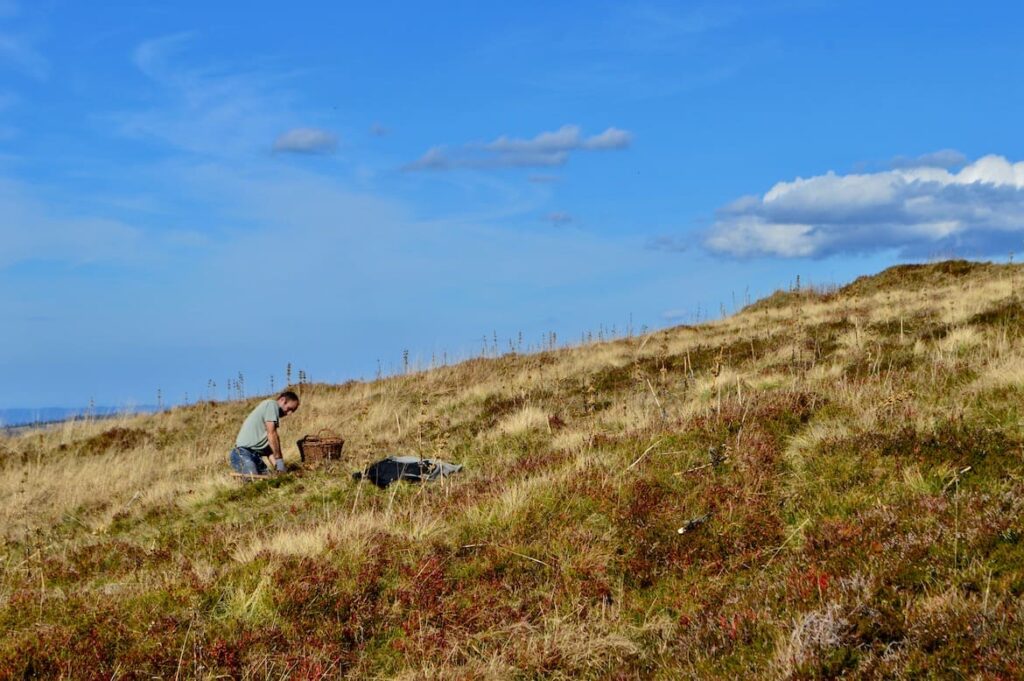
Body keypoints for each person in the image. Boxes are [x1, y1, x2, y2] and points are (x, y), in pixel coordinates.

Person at [229, 391, 300, 475]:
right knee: (252, 480)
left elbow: (268, 450)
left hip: (256, 457)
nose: (289, 413)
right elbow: (272, 434)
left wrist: (279, 468)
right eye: (289, 408)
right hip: (243, 453)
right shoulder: (271, 405)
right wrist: (280, 461)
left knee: (270, 481)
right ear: (282, 400)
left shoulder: (268, 415)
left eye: (292, 411)